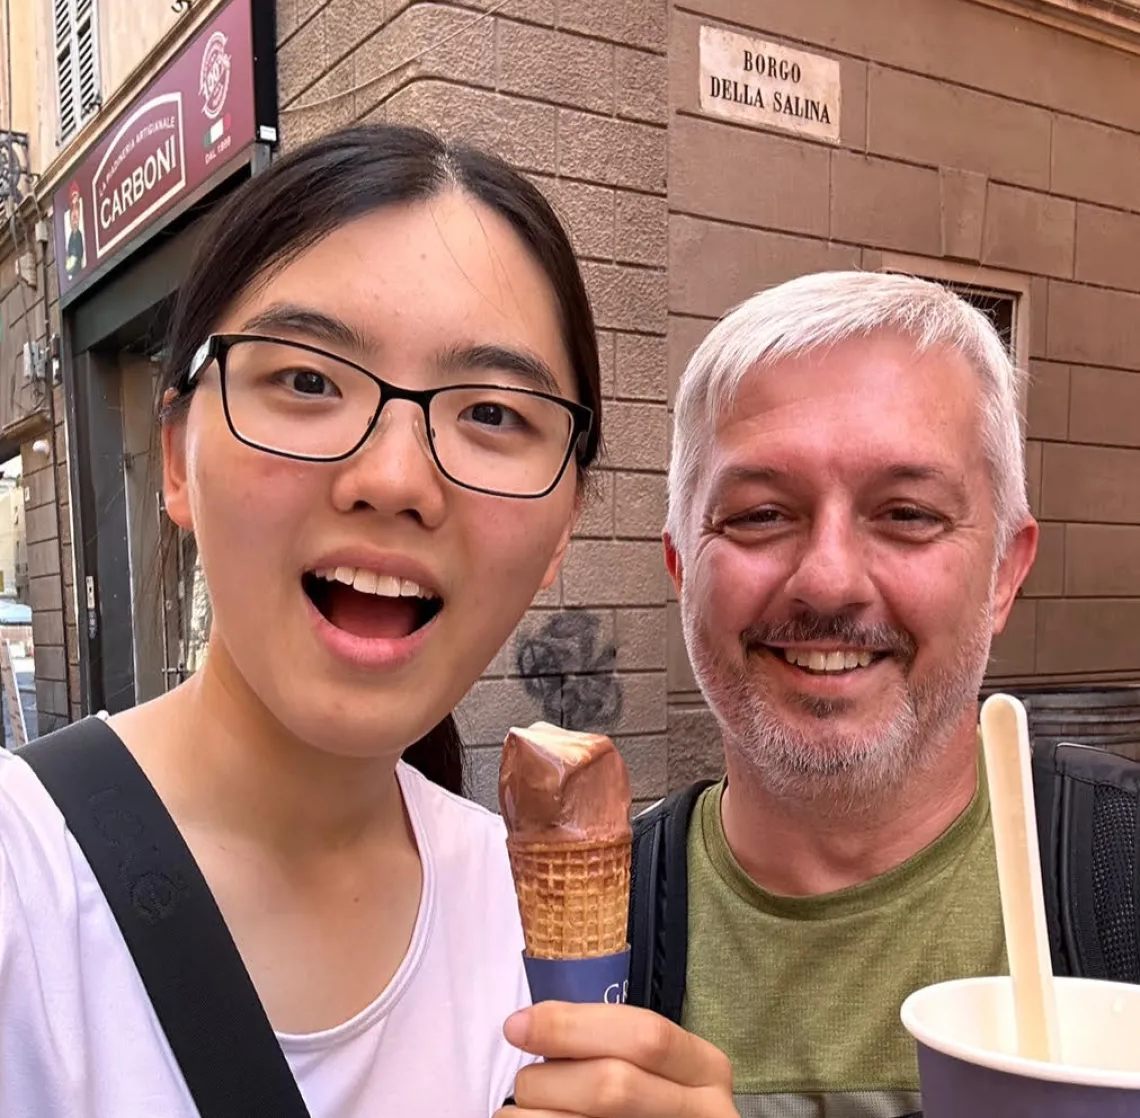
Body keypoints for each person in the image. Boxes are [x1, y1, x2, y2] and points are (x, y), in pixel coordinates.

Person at [0, 125, 735, 1118]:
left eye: (493, 415)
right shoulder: (25, 886)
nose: (395, 481)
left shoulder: (515, 912)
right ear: (178, 459)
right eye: (306, 380)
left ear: (564, 521)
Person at [634, 271, 1040, 1117]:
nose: (828, 580)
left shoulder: (1116, 884)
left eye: (907, 514)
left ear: (1004, 571)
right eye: (757, 515)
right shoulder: (535, 943)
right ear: (681, 569)